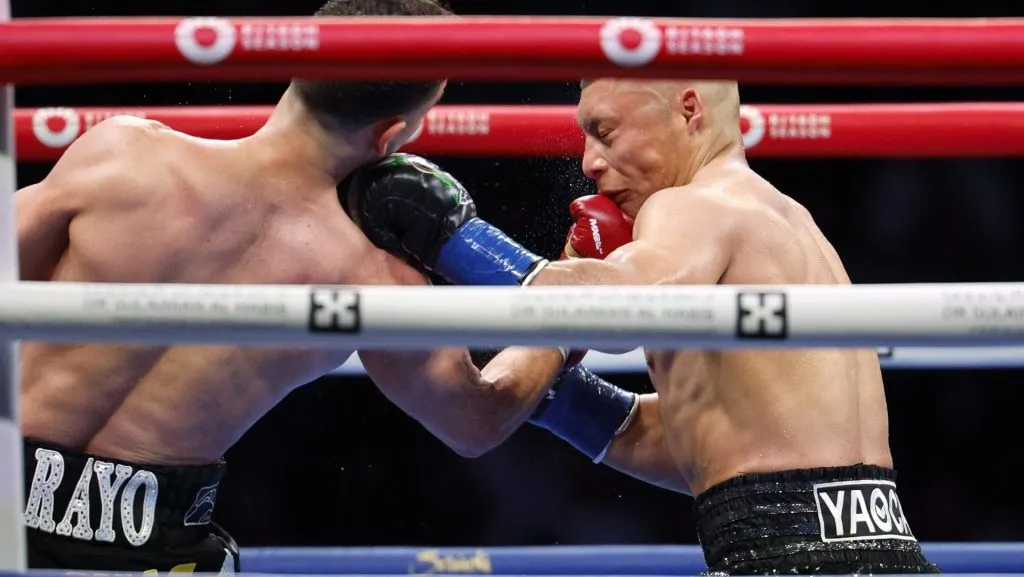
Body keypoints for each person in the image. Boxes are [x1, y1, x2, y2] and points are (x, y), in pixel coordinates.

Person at [14, 0, 571, 571]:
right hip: (149, 545)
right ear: (390, 134)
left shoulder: (124, 155)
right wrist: (565, 311)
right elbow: (475, 422)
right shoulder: (372, 280)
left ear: (297, 75)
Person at [338, 78, 941, 574]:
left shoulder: (694, 205)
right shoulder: (786, 219)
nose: (589, 162)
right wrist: (555, 392)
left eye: (605, 132)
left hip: (785, 560)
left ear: (688, 110)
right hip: (878, 547)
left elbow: (621, 310)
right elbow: (722, 444)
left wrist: (457, 240)